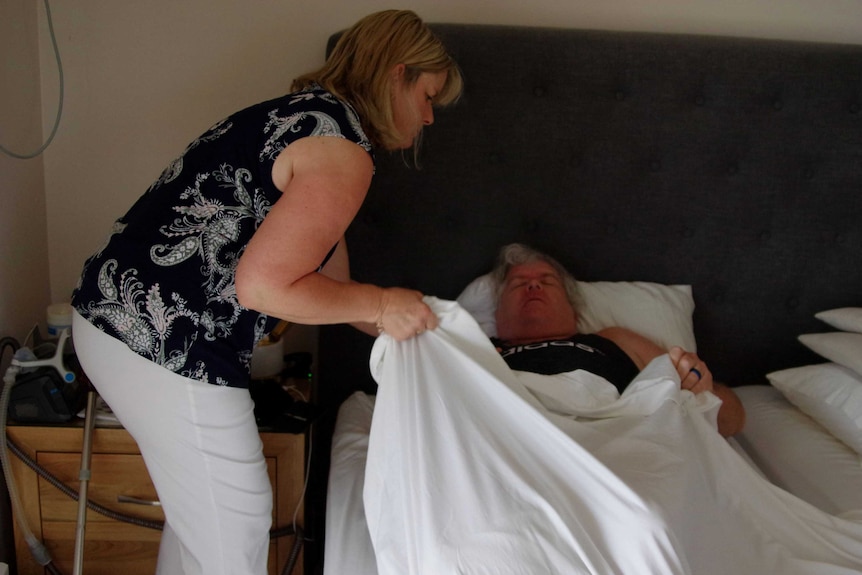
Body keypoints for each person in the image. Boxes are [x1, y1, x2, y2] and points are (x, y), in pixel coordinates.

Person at [69, 10, 462, 575]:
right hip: (163, 341)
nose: (428, 118)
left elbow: (329, 288)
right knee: (238, 529)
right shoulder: (342, 153)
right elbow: (264, 286)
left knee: (205, 526)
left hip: (115, 321)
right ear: (396, 75)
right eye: (427, 96)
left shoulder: (304, 119)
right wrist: (381, 302)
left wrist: (405, 324)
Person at [489, 243, 746, 437]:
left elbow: (732, 422)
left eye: (547, 281)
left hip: (619, 440)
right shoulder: (480, 348)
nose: (534, 286)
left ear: (574, 310)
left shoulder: (616, 339)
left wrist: (702, 388)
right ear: (497, 313)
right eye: (519, 283)